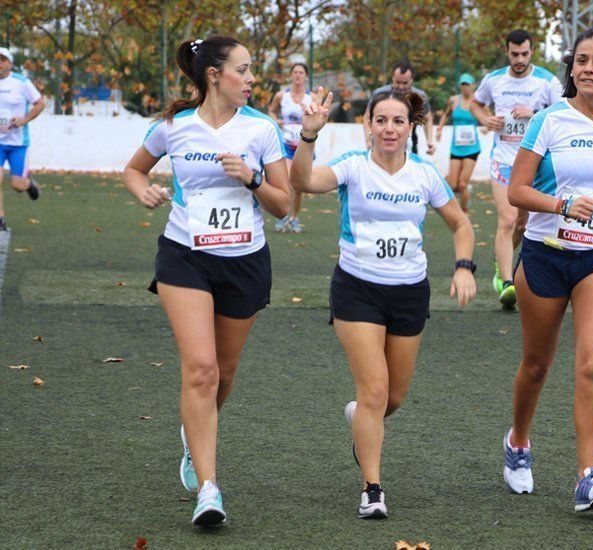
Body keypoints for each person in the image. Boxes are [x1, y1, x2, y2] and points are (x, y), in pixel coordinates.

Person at [123, 36, 291, 526]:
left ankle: (193, 432)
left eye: (252, 69)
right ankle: (209, 490)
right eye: (244, 69)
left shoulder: (262, 129)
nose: (252, 78)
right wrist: (144, 191)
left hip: (244, 261)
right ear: (214, 74)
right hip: (185, 256)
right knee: (201, 370)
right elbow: (133, 171)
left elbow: (284, 205)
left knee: (224, 374)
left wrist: (253, 179)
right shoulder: (174, 126)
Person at [291, 87, 476, 519]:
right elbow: (302, 181)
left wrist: (464, 265)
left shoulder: (425, 175)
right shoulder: (352, 168)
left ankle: (361, 417)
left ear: (411, 127)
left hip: (410, 292)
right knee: (374, 389)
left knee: (392, 396)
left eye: (398, 121)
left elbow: (460, 223)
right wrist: (309, 136)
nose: (389, 128)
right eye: (381, 120)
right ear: (367, 126)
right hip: (358, 289)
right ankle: (372, 489)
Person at [503, 25, 593, 513]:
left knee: (592, 362)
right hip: (545, 254)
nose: (588, 69)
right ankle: (518, 443)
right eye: (581, 61)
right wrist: (563, 206)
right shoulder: (548, 119)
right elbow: (517, 191)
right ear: (572, 68)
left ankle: (587, 477)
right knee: (537, 365)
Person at [470, 29, 562, 308]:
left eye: (524, 54)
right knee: (508, 220)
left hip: (532, 163)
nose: (519, 59)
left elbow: (563, 114)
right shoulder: (494, 79)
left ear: (532, 51)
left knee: (523, 223)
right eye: (514, 54)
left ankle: (502, 264)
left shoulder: (547, 81)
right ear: (507, 51)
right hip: (502, 160)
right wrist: (486, 119)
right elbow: (476, 103)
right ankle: (508, 282)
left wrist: (534, 115)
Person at [0, 46, 46, 231]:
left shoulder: (21, 82)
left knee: (16, 184)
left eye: (3, 59)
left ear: (10, 64)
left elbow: (40, 103)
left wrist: (23, 120)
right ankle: (0, 220)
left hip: (18, 143)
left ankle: (28, 185)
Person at [268, 62, 311, 233]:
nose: (298, 75)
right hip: (285, 143)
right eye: (295, 72)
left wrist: (309, 111)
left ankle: (294, 217)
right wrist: (275, 119)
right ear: (291, 75)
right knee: (287, 181)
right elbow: (271, 110)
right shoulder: (281, 95)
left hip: (304, 145)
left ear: (306, 76)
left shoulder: (312, 97)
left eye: (301, 72)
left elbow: (319, 116)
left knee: (299, 185)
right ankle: (283, 216)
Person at [363, 60, 435, 156]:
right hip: (381, 144)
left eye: (405, 83)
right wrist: (368, 139)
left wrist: (429, 141)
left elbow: (428, 119)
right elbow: (367, 117)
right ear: (392, 77)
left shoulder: (419, 96)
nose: (401, 87)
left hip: (409, 145)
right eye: (398, 82)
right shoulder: (380, 94)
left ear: (412, 79)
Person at [436, 73, 481, 211]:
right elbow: (446, 115)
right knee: (452, 185)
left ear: (473, 86)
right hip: (456, 147)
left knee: (462, 184)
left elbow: (488, 116)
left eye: (467, 84)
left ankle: (463, 214)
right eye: (463, 84)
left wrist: (487, 128)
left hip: (472, 148)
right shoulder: (454, 100)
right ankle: (465, 191)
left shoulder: (479, 101)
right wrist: (439, 129)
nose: (465, 87)